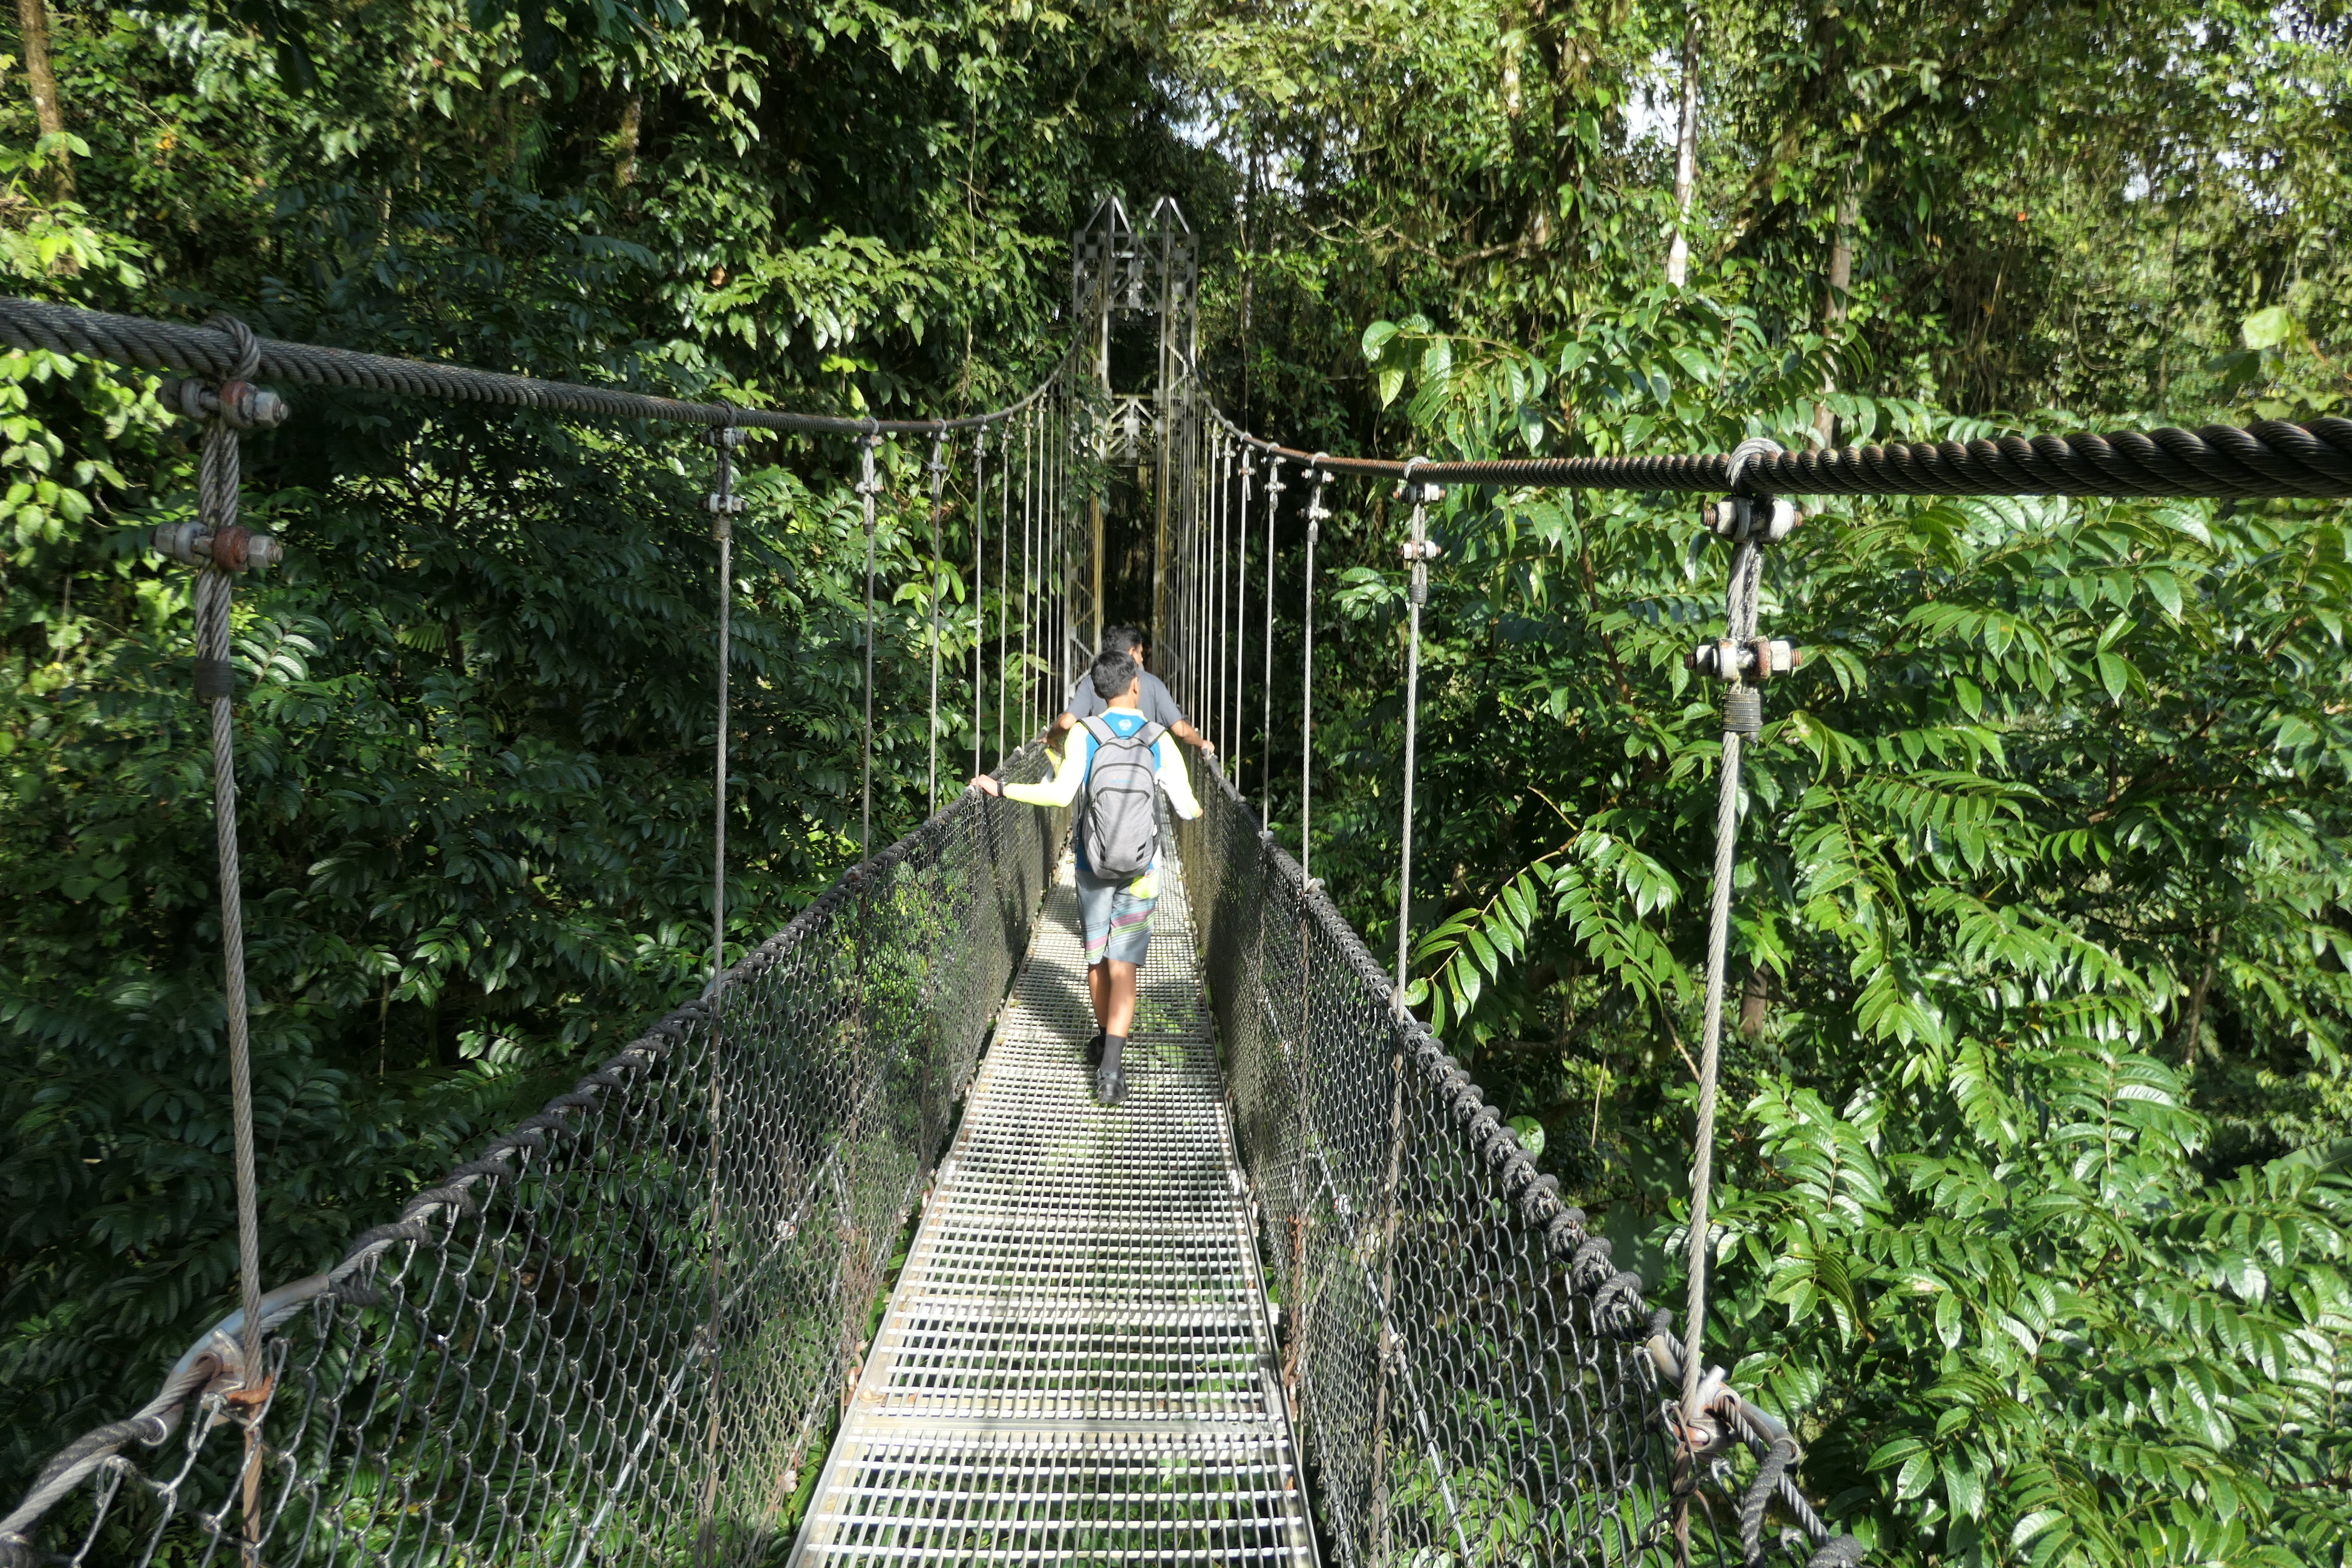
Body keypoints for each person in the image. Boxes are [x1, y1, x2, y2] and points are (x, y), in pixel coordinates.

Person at [975, 648, 1202, 1105]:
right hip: (1142, 870)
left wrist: (1001, 787)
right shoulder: (1158, 737)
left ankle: (1102, 1042)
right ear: (1135, 684)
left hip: (1091, 864)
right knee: (1126, 967)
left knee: (1097, 960)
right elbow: (1187, 808)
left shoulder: (1084, 733)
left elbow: (1061, 798)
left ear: (1097, 691)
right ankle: (1112, 1073)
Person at [1041, 626, 1214, 760]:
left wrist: (1051, 737)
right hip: (1143, 781)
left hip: (1100, 778)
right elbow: (1181, 730)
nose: (1142, 659)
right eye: (1140, 653)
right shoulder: (1153, 684)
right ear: (1132, 652)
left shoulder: (1092, 682)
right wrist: (1201, 743)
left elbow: (1066, 723)